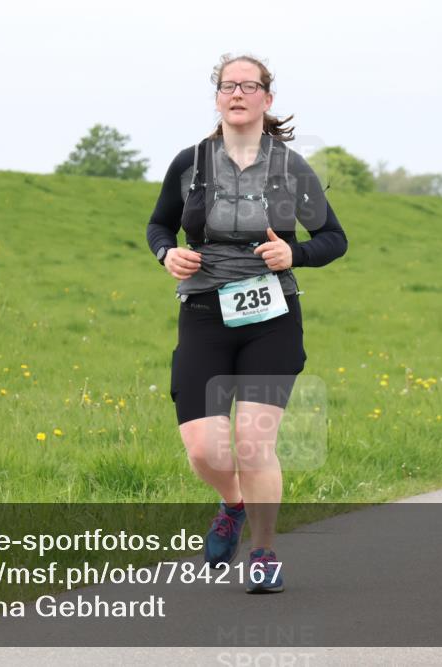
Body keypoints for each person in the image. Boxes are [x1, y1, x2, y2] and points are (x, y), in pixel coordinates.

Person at [145, 53, 347, 593]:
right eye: (228, 85)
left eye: (249, 86)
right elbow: (159, 225)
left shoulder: (291, 168)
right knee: (204, 449)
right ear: (217, 98)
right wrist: (167, 254)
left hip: (271, 318)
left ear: (267, 98)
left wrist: (294, 255)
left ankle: (263, 553)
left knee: (254, 445)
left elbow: (334, 239)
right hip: (203, 314)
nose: (237, 93)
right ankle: (232, 504)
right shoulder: (190, 162)